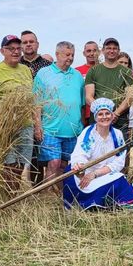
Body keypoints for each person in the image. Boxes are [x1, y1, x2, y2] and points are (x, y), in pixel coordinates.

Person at [63, 98, 133, 210]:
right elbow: (79, 154)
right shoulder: (88, 134)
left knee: (119, 179)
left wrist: (96, 174)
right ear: (95, 117)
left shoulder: (117, 135)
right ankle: (89, 203)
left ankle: (108, 203)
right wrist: (80, 167)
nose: (104, 117)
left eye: (107, 113)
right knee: (72, 174)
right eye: (100, 114)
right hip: (86, 173)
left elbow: (118, 162)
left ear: (112, 115)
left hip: (103, 173)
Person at [0, 35, 34, 185]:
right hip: (5, 125)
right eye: (11, 49)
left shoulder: (25, 70)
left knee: (21, 164)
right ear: (2, 51)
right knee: (8, 163)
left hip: (25, 124)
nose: (15, 52)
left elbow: (31, 98)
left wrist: (36, 124)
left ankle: (14, 198)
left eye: (18, 48)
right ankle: (6, 197)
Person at [33, 42, 84, 184]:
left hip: (73, 130)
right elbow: (36, 103)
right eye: (67, 54)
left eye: (72, 55)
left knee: (64, 165)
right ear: (57, 54)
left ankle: (60, 194)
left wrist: (81, 127)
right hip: (51, 129)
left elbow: (81, 104)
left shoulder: (78, 76)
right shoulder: (44, 73)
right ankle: (48, 195)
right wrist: (38, 126)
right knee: (54, 163)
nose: (71, 58)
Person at [85, 37, 133, 131]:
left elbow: (130, 96)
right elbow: (88, 97)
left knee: (120, 145)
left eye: (114, 48)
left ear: (118, 51)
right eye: (108, 48)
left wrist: (116, 113)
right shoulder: (93, 71)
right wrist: (103, 112)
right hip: (98, 121)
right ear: (103, 50)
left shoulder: (127, 72)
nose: (111, 51)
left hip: (119, 121)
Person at [76, 41, 100, 125]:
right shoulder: (77, 71)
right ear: (84, 53)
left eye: (94, 50)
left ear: (99, 52)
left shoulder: (104, 69)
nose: (92, 53)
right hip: (82, 113)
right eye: (89, 51)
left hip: (100, 113)